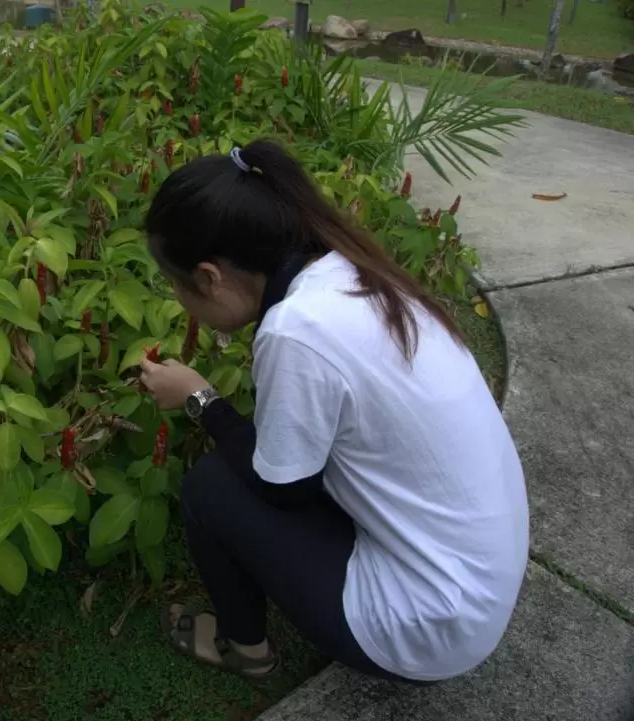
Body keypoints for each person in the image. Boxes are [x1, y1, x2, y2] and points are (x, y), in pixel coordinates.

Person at [138, 139, 529, 683]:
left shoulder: (297, 330)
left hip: (429, 627)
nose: (180, 299)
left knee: (212, 487)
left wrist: (200, 398)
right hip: (477, 581)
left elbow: (282, 488)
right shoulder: (348, 268)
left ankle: (243, 648)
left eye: (177, 285)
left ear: (209, 277)